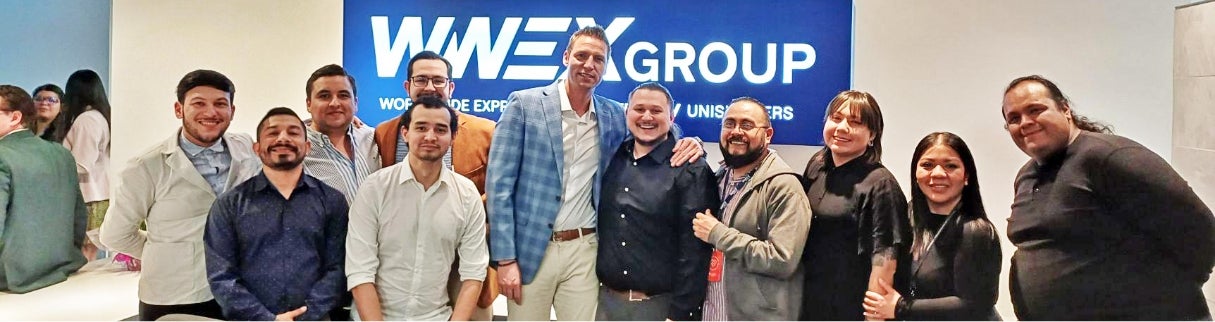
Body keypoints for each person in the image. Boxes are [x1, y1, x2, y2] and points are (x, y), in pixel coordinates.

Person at [486, 25, 703, 321]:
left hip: (585, 251)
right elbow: (499, 187)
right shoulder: (525, 105)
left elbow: (650, 131)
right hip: (530, 251)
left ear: (605, 67)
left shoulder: (613, 114)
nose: (589, 65)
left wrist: (690, 141)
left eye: (598, 59)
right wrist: (505, 259)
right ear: (566, 57)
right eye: (582, 55)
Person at [1001, 75, 1215, 320]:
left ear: (1065, 109)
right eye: (1014, 118)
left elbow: (1200, 229)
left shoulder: (1110, 158)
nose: (1025, 122)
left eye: (1035, 110)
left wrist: (1168, 293)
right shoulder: (1026, 175)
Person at [100, 70, 261, 321]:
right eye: (199, 103)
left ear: (232, 111)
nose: (210, 112)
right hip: (175, 295)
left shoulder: (246, 148)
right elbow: (115, 234)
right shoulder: (146, 166)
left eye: (220, 104)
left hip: (240, 291)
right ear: (179, 109)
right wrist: (165, 253)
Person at [372, 51, 498, 319]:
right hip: (403, 266)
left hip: (466, 264)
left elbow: (499, 190)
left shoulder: (486, 132)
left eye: (439, 80)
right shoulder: (385, 132)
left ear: (450, 87)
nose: (430, 87)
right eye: (421, 79)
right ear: (408, 87)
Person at [346, 97, 489, 320]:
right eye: (421, 128)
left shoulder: (467, 194)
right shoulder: (375, 188)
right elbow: (360, 271)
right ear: (405, 133)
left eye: (440, 129)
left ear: (453, 137)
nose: (430, 136)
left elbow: (474, 272)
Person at [205, 107, 349, 320]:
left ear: (307, 147)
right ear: (256, 148)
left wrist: (305, 315)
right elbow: (221, 277)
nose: (283, 138)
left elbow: (338, 269)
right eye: (272, 133)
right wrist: (267, 319)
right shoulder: (229, 205)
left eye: (293, 132)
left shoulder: (332, 201)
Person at [596, 82, 718, 321]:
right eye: (639, 109)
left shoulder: (691, 169)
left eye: (656, 110)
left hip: (660, 309)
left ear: (671, 117)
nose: (647, 117)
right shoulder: (613, 156)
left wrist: (680, 313)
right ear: (627, 113)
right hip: (605, 305)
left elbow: (695, 251)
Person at [691, 97, 812, 320]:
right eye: (729, 124)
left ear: (768, 135)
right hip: (713, 312)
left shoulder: (784, 187)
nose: (736, 132)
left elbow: (782, 260)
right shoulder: (720, 177)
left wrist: (718, 234)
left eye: (747, 125)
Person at [862, 132, 1001, 320]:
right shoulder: (906, 217)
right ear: (915, 173)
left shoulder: (976, 232)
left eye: (950, 166)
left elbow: (976, 304)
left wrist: (901, 307)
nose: (937, 174)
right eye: (927, 165)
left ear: (966, 176)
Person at [800, 90, 911, 321]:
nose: (842, 128)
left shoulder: (881, 185)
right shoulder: (817, 166)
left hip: (851, 308)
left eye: (855, 122)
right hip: (812, 302)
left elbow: (885, 261)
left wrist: (873, 317)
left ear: (872, 135)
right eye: (836, 118)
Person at [0, 84, 87, 293]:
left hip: (12, 276)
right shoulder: (60, 153)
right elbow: (79, 216)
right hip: (59, 267)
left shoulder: (3, 155)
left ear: (15, 117)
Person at [302, 64, 381, 205]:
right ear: (309, 104)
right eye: (324, 96)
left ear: (355, 103)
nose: (334, 103)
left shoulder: (373, 138)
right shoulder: (296, 151)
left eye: (343, 95)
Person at [58, 70, 112, 261]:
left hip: (88, 196)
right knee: (88, 250)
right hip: (95, 193)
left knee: (86, 251)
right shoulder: (99, 117)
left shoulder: (87, 120)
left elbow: (82, 164)